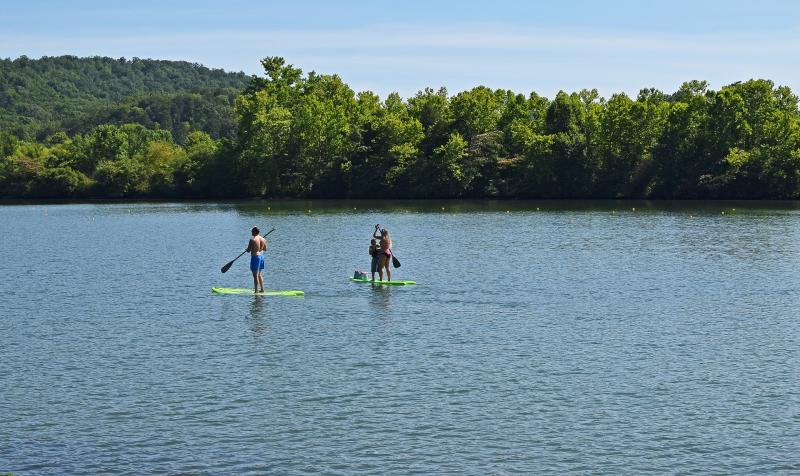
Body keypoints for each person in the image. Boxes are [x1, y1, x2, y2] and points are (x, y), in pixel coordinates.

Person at [246, 226, 267, 293]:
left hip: (255, 257)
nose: (251, 232)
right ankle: (262, 289)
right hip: (261, 257)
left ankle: (256, 291)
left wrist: (247, 249)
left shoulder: (252, 239)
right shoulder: (263, 239)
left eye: (252, 231)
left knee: (255, 276)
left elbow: (248, 250)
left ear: (255, 231)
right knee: (259, 274)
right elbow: (265, 249)